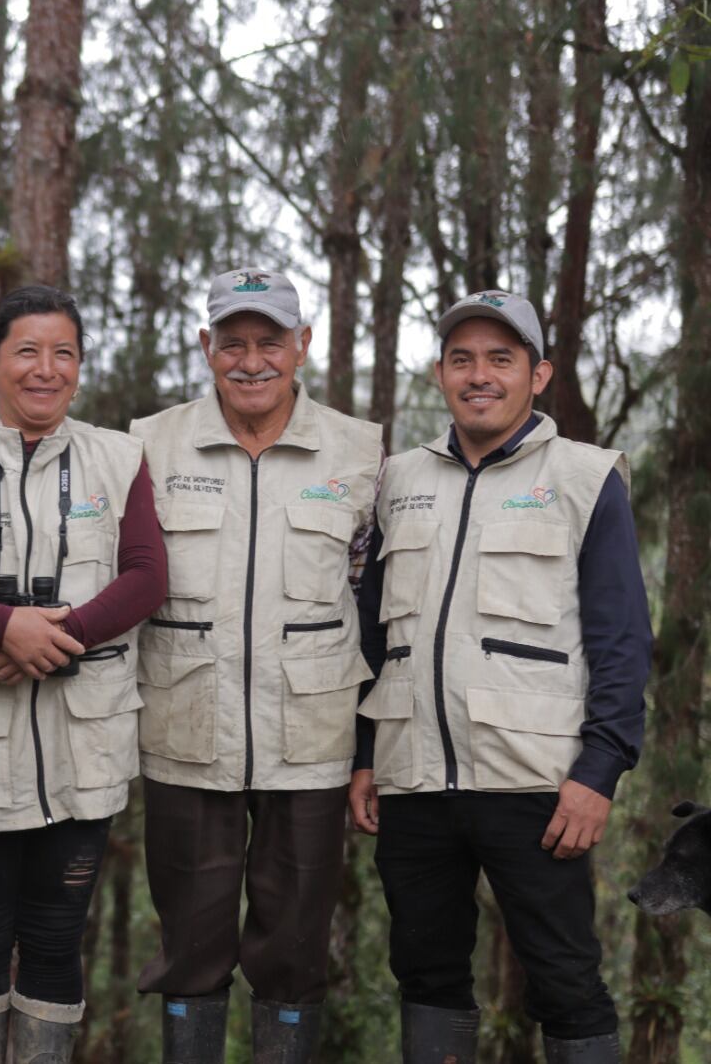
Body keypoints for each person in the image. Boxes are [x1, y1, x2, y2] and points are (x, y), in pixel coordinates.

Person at [349, 290, 651, 1064]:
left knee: (565, 979)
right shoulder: (397, 480)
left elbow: (620, 637)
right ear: (440, 374)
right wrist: (363, 754)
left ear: (538, 374)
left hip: (538, 785)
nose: (478, 375)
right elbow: (373, 632)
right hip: (411, 780)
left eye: (500, 359)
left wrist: (601, 769)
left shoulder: (585, 479)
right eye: (462, 359)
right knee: (425, 972)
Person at [0, 285, 165, 1063]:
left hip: (85, 745)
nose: (45, 370)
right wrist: (3, 625)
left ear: (80, 364)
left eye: (63, 353)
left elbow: (146, 577)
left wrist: (58, 636)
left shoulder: (120, 459)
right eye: (26, 351)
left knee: (56, 935)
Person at [129, 268, 383, 1063]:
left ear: (302, 345)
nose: (250, 361)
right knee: (192, 948)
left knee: (295, 955)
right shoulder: (147, 443)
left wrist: (370, 751)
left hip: (310, 742)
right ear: (206, 348)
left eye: (269, 341)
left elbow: (378, 607)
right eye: (231, 342)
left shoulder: (361, 451)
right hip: (183, 735)